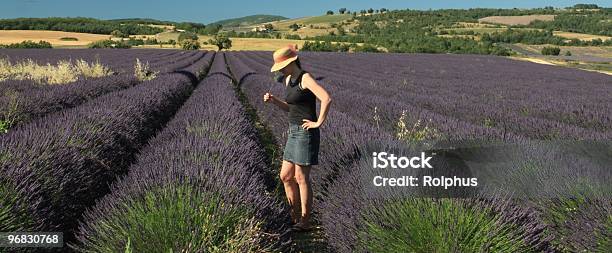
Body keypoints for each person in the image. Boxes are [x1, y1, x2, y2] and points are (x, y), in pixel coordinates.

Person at [263, 45, 332, 231]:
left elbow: (326, 98)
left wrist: (318, 123)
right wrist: (274, 101)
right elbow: (290, 108)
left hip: (305, 133)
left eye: (282, 67)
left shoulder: (305, 78)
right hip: (293, 131)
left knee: (301, 178)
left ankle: (305, 221)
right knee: (285, 176)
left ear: (291, 62)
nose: (280, 70)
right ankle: (293, 217)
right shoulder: (288, 80)